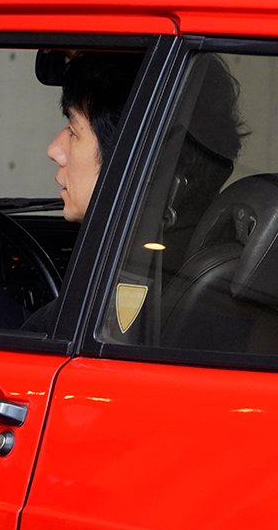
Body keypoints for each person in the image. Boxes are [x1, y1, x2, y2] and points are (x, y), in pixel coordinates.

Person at [24, 51, 244, 331]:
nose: (54, 150)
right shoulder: (187, 270)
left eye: (74, 131)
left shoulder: (115, 298)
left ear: (132, 160)